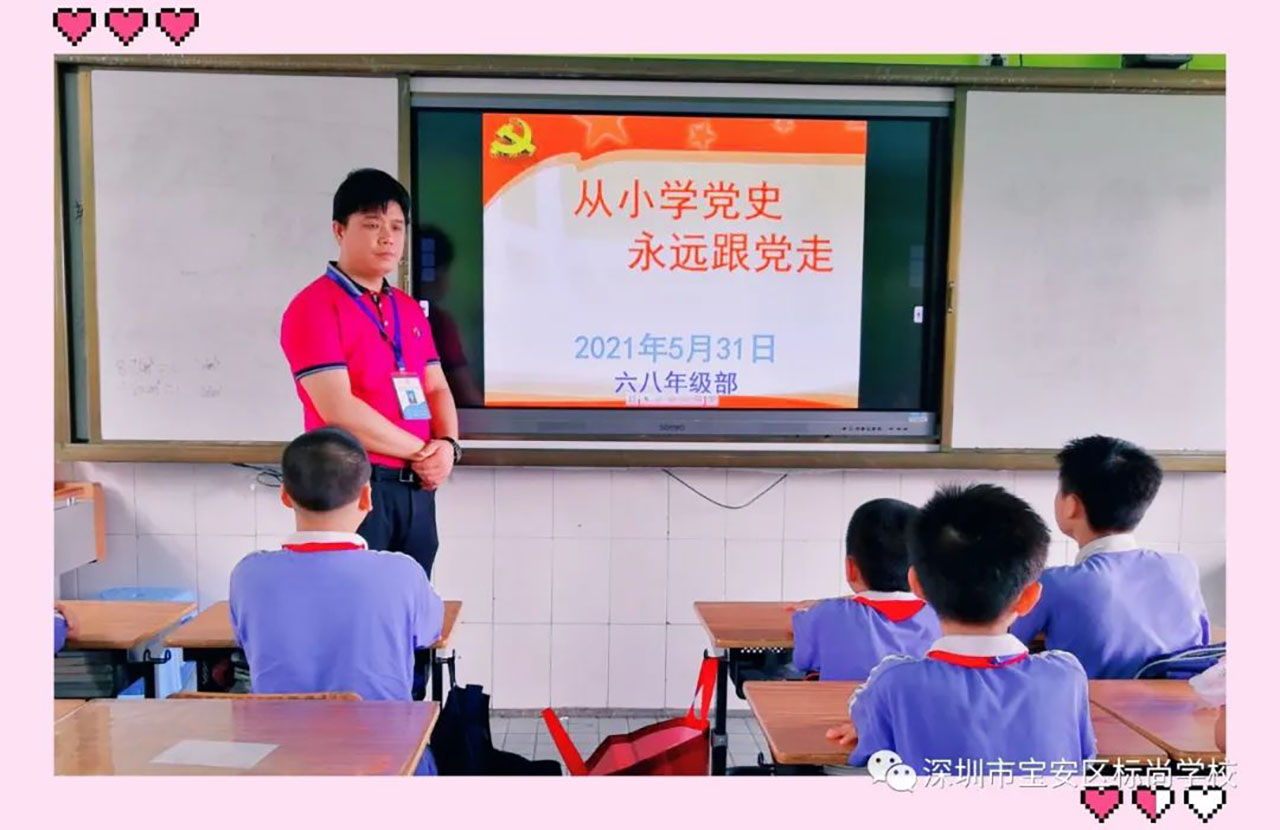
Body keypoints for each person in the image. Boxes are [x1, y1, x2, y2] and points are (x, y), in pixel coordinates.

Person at [828, 484, 1095, 771]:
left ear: (916, 584)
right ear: (1029, 598)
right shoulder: (1066, 676)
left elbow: (861, 712)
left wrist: (875, 717)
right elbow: (1084, 756)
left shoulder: (894, 682)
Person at [280, 169, 461, 581]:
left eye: (396, 227)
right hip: (352, 488)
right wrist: (424, 452)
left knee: (410, 606)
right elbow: (339, 409)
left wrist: (449, 447)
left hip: (415, 490)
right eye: (372, 225)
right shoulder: (313, 307)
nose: (387, 238)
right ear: (339, 230)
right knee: (354, 604)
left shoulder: (409, 309)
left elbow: (436, 386)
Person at [229, 427, 444, 705]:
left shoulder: (249, 574)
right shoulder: (403, 573)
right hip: (382, 732)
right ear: (367, 497)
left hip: (280, 732)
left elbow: (243, 640)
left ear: (284, 496)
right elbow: (428, 633)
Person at [1010, 435, 1210, 678]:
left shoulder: (1054, 584)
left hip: (1090, 702)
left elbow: (1000, 640)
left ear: (1071, 505)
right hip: (1183, 701)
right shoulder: (1183, 568)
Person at [791, 498, 939, 680]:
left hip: (846, 700)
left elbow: (802, 660)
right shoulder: (943, 619)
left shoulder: (825, 614)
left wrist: (819, 606)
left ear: (851, 568)